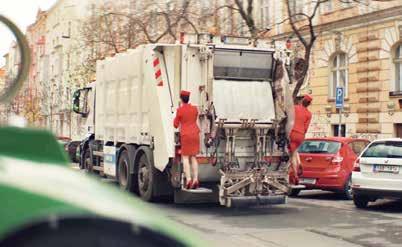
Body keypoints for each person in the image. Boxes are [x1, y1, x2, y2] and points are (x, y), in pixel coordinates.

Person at [173, 90, 201, 189]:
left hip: (186, 135)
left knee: (185, 157)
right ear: (188, 98)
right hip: (195, 134)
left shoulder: (180, 110)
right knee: (193, 157)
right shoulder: (194, 109)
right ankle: (196, 179)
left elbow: (175, 125)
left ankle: (188, 179)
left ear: (181, 99)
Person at [289, 94, 313, 181]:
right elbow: (306, 128)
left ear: (302, 101)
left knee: (292, 155)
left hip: (292, 133)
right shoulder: (309, 114)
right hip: (301, 135)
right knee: (295, 151)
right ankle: (299, 163)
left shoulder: (295, 108)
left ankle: (295, 175)